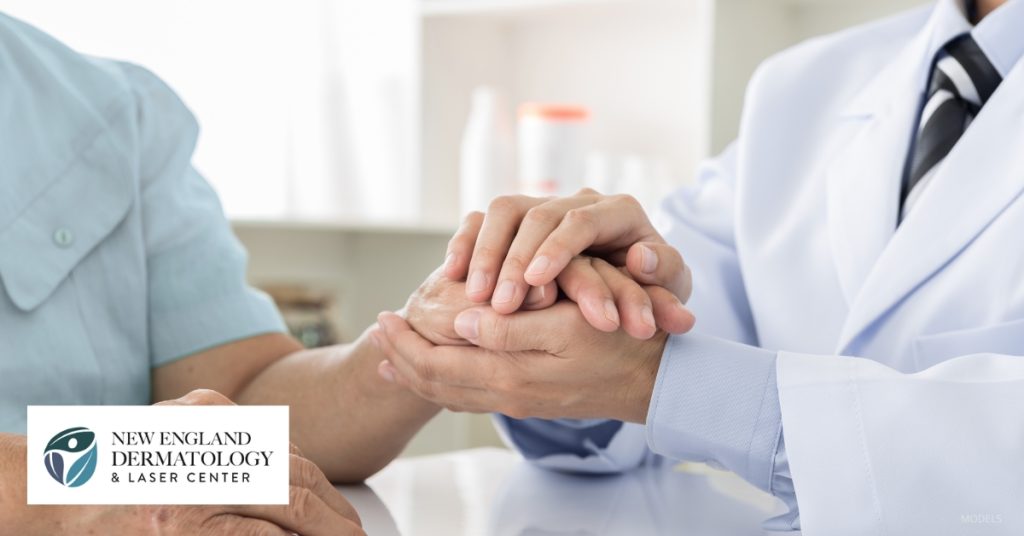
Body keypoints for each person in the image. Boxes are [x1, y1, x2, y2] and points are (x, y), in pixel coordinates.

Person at [0, 11, 694, 535]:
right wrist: (63, 486)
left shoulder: (110, 113)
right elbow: (130, 472)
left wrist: (423, 345)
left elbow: (239, 403)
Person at [375, 0, 1024, 533]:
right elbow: (684, 310)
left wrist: (656, 382)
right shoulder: (802, 84)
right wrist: (564, 308)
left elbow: (671, 376)